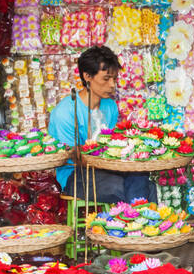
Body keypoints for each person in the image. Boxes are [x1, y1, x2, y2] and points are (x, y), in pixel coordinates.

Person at [47, 46, 151, 204]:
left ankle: (136, 225)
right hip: (75, 174)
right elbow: (73, 155)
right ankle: (138, 223)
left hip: (107, 168)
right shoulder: (65, 112)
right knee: (121, 187)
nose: (112, 85)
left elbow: (110, 144)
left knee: (142, 177)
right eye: (106, 78)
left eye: (115, 79)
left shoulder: (110, 106)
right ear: (87, 76)